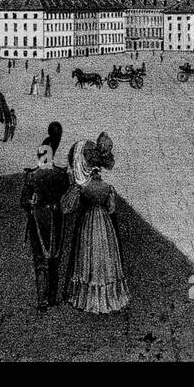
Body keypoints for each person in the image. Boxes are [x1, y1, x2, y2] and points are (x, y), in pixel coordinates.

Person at [64, 134, 129, 314]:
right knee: (106, 256)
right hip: (103, 222)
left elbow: (70, 206)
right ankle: (106, 296)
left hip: (88, 221)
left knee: (86, 255)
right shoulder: (108, 188)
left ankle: (86, 297)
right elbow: (111, 208)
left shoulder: (83, 187)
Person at [21, 134, 69, 310]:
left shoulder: (32, 176)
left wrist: (31, 204)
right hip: (56, 218)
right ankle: (53, 298)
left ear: (40, 156)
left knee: (40, 262)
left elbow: (23, 202)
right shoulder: (61, 175)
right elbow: (67, 191)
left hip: (39, 219)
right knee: (55, 261)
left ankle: (42, 301)